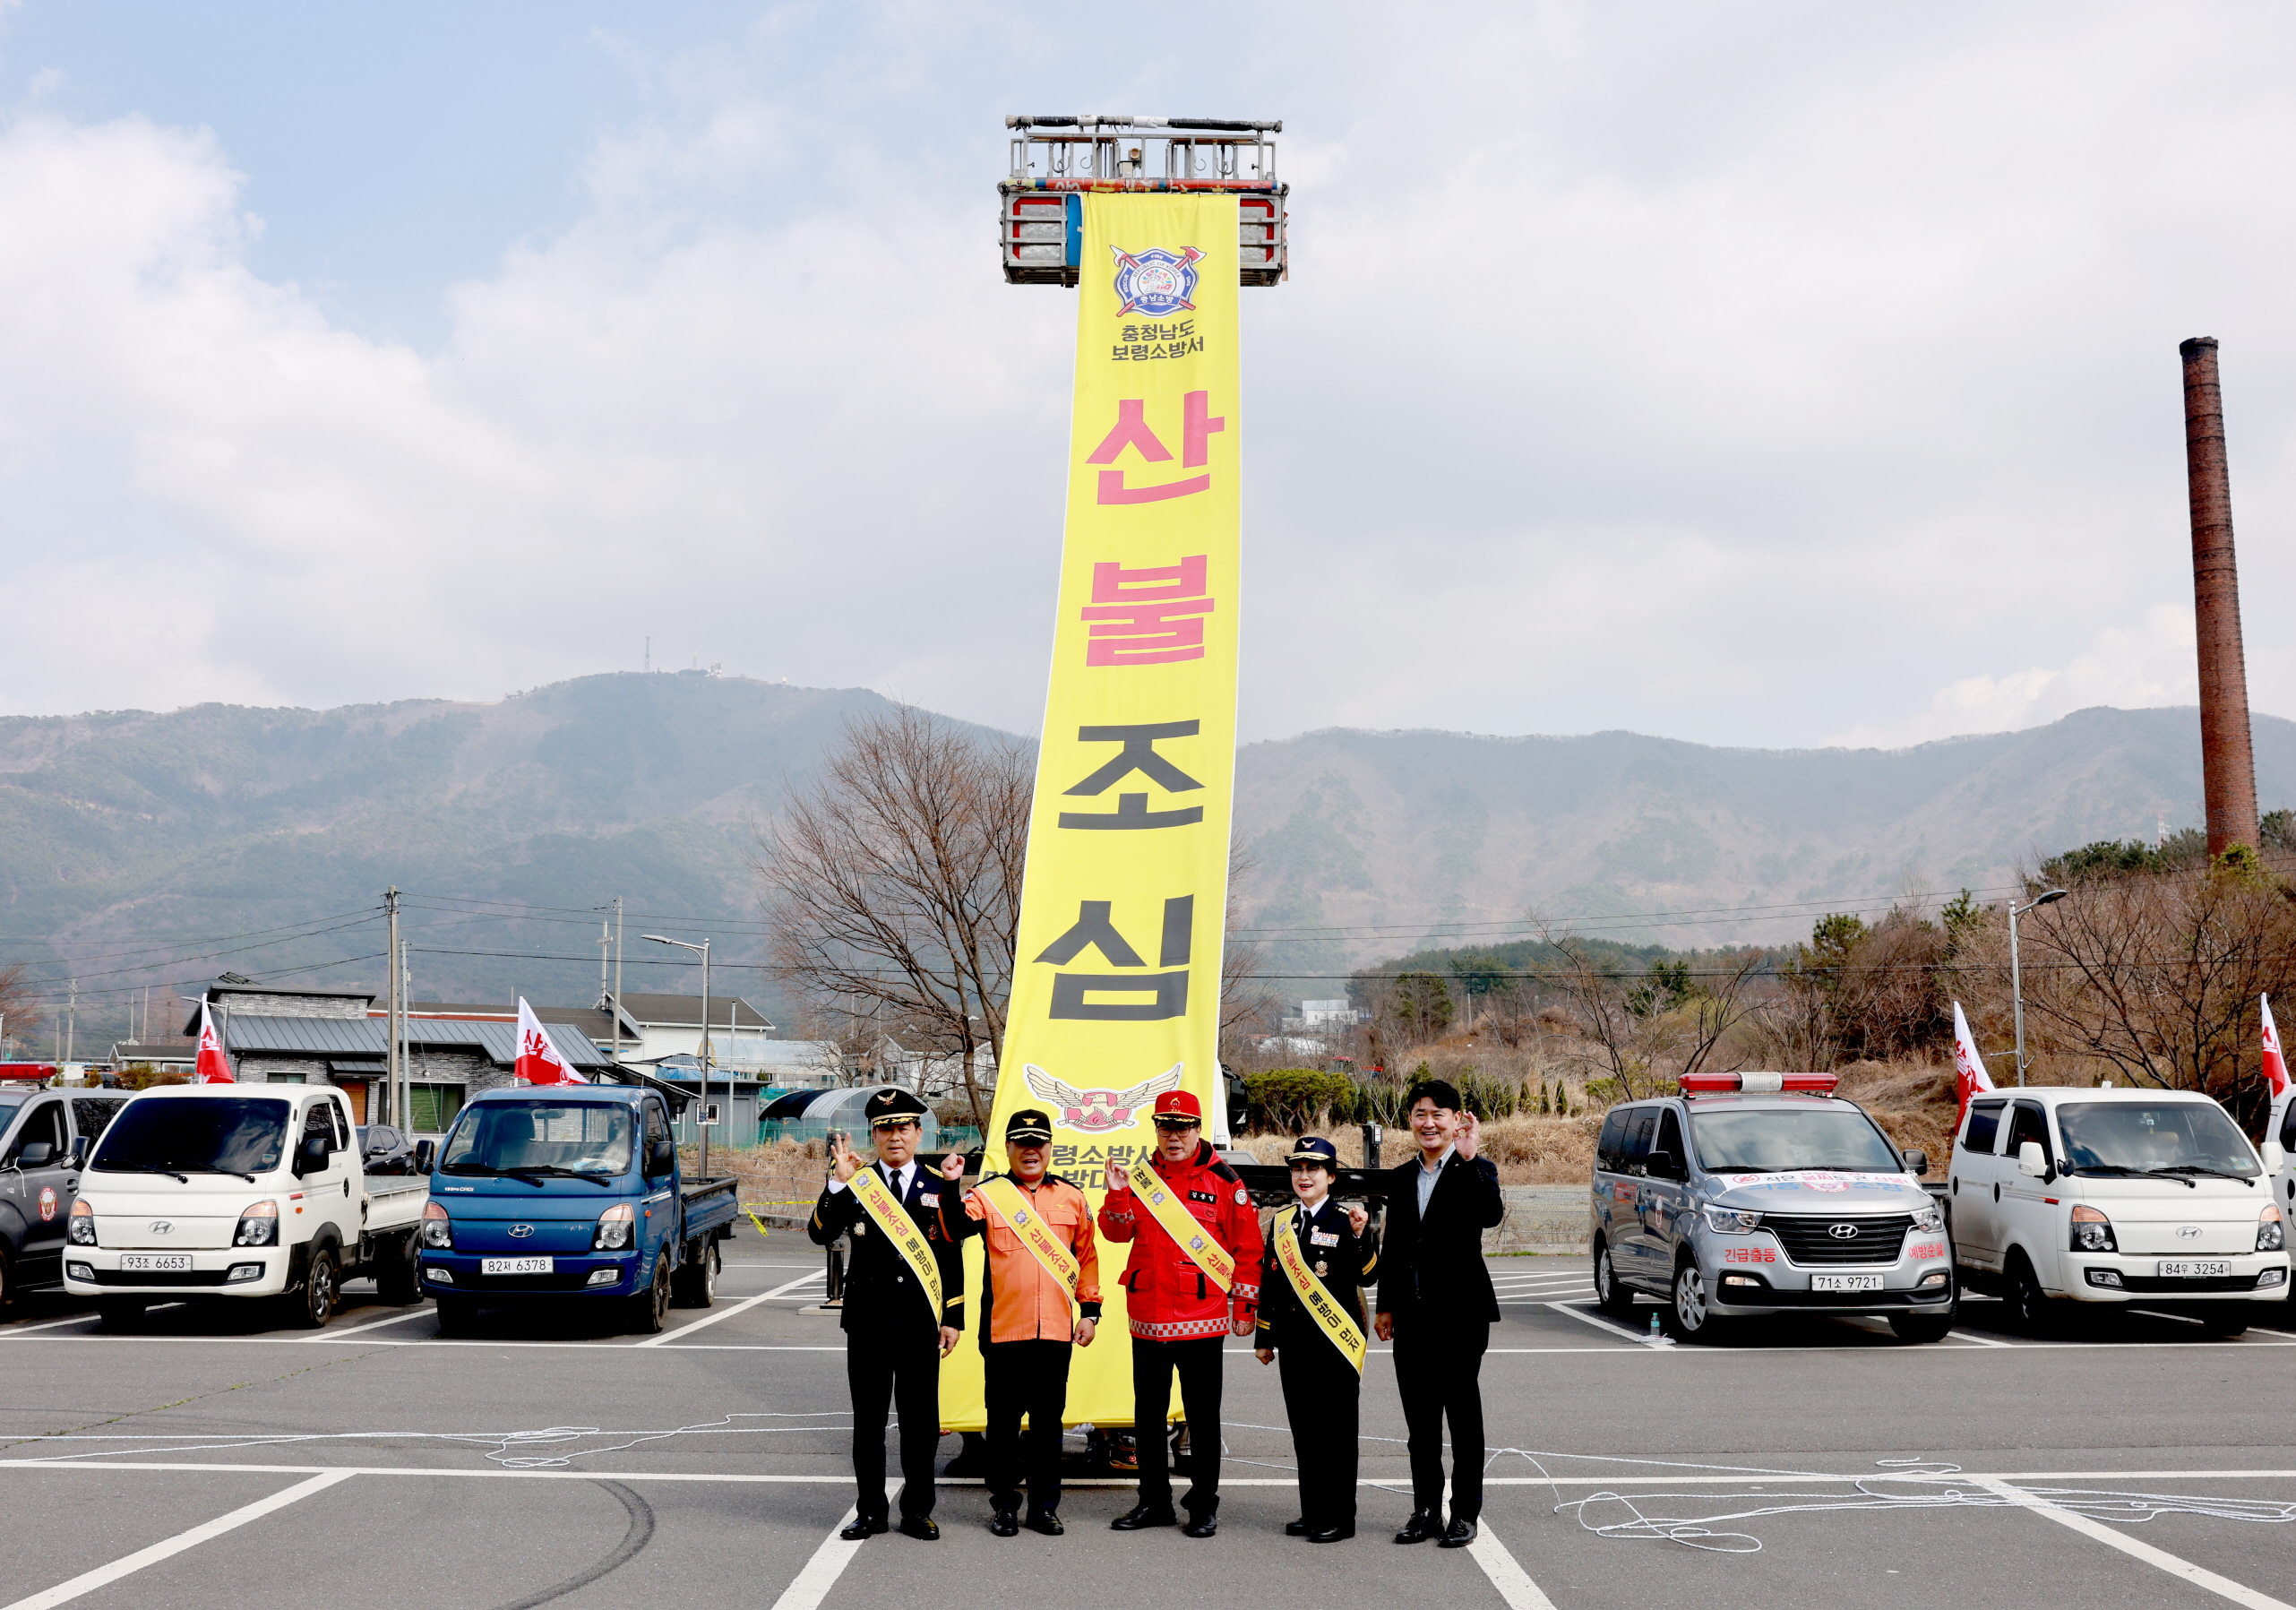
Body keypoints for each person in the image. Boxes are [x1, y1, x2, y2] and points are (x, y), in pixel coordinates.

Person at [1098, 1088, 1263, 1538]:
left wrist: (1246, 1306)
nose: (1174, 1136)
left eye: (1183, 1127)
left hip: (1202, 1318)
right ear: (1157, 1129)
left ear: (1198, 1130)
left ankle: (1203, 1506)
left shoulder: (1225, 1181)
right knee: (1147, 1418)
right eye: (1166, 1127)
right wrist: (1115, 1197)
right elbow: (1116, 1235)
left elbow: (1248, 1250)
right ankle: (1154, 1502)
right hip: (1148, 1319)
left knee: (1203, 1419)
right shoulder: (1140, 1178)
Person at [808, 1088, 964, 1541]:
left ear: (918, 1132)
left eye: (903, 1128)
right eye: (884, 1129)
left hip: (920, 1324)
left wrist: (952, 1315)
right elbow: (822, 1235)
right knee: (869, 1424)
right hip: (869, 1322)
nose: (894, 1137)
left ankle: (917, 1510)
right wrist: (836, 1183)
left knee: (920, 1424)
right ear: (873, 1134)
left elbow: (951, 1256)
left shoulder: (939, 1184)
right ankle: (871, 1511)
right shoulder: (856, 1179)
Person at [946, 1106, 1102, 1537]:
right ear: (1009, 1148)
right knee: (1002, 1428)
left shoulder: (1072, 1197)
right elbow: (953, 1227)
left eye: (1038, 1144)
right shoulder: (989, 1193)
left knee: (1049, 1429)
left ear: (1050, 1149)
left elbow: (1086, 1258)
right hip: (1003, 1332)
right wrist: (951, 1184)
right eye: (1021, 1143)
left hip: (1054, 1334)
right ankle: (1005, 1507)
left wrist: (1089, 1311)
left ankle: (1044, 1509)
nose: (1030, 1151)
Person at [1373, 1078, 1502, 1547]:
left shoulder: (1477, 1167)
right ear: (1410, 1120)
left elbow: (1490, 1214)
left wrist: (1468, 1159)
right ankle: (1425, 1508)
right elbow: (1395, 1244)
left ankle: (1464, 1512)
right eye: (1420, 1114)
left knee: (1463, 1418)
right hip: (1412, 1315)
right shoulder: (1403, 1176)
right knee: (1420, 1422)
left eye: (1438, 1114)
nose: (1428, 1123)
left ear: (1455, 1120)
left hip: (1462, 1315)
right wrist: (1386, 1304)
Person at [1253, 1136, 1377, 1543]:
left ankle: (1341, 1518)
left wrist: (1363, 1237)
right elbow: (1271, 1281)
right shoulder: (1282, 1222)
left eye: (1313, 1170)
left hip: (1335, 1344)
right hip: (1295, 1343)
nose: (1304, 1177)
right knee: (1304, 1430)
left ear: (1331, 1177)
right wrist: (1264, 1336)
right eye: (1297, 1169)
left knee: (1337, 1433)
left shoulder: (1347, 1220)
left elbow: (1369, 1275)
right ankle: (1313, 1511)